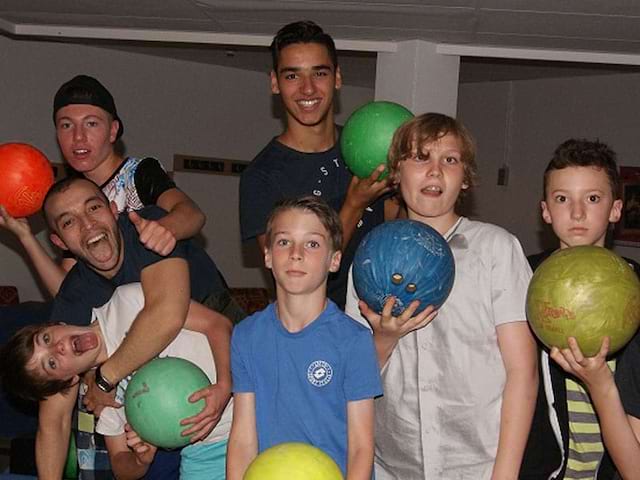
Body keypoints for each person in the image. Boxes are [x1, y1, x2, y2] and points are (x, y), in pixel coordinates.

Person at [345, 113, 538, 479]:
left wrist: (505, 474)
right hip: (393, 468)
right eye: (420, 157)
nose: (435, 171)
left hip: (480, 466)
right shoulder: (368, 259)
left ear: (465, 178)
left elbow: (522, 372)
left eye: (449, 160)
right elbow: (353, 380)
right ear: (396, 173)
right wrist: (384, 339)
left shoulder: (496, 250)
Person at [35, 177, 237, 480]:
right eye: (69, 222)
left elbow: (167, 315)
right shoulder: (74, 298)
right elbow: (55, 417)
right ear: (60, 242)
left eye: (93, 208)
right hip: (178, 415)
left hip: (225, 353)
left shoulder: (147, 230)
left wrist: (103, 378)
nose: (88, 224)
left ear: (114, 210)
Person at [0, 283, 233, 479]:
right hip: (208, 450)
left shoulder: (127, 301)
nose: (57, 348)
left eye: (47, 338)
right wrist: (140, 460)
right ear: (68, 381)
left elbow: (218, 324)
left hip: (250, 404)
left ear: (57, 325)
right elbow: (121, 466)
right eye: (51, 363)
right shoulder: (102, 399)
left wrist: (224, 385)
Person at [0, 74, 205, 296]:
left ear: (113, 130)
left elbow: (193, 214)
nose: (78, 137)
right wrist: (25, 237)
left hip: (192, 302)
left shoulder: (140, 172)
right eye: (67, 125)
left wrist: (165, 229)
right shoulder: (70, 199)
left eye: (91, 123)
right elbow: (67, 294)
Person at [239, 20, 393, 309]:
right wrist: (354, 204)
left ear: (337, 77)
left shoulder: (369, 149)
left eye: (319, 73)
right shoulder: (261, 177)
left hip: (385, 320)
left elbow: (406, 225)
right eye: (292, 76)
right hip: (315, 332)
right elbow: (292, 277)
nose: (307, 89)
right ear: (275, 83)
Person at [227, 197, 382, 479]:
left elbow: (361, 447)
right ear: (267, 255)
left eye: (312, 243)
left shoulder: (354, 340)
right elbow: (242, 439)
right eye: (284, 242)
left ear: (334, 260)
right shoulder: (245, 336)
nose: (296, 253)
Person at [520, 138, 640, 480]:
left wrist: (600, 382)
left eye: (592, 198)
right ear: (545, 211)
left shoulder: (636, 295)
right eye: (562, 199)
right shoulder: (517, 280)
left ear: (616, 209)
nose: (577, 213)